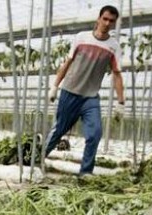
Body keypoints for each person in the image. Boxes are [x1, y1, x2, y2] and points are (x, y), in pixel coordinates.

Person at [46, 5, 125, 175]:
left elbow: (117, 74)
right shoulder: (81, 38)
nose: (107, 23)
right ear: (98, 19)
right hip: (70, 92)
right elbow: (67, 62)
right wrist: (54, 86)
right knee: (59, 130)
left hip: (90, 97)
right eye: (104, 19)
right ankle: (35, 159)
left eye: (111, 21)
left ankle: (85, 174)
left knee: (95, 133)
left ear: (114, 23)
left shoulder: (114, 47)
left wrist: (121, 102)